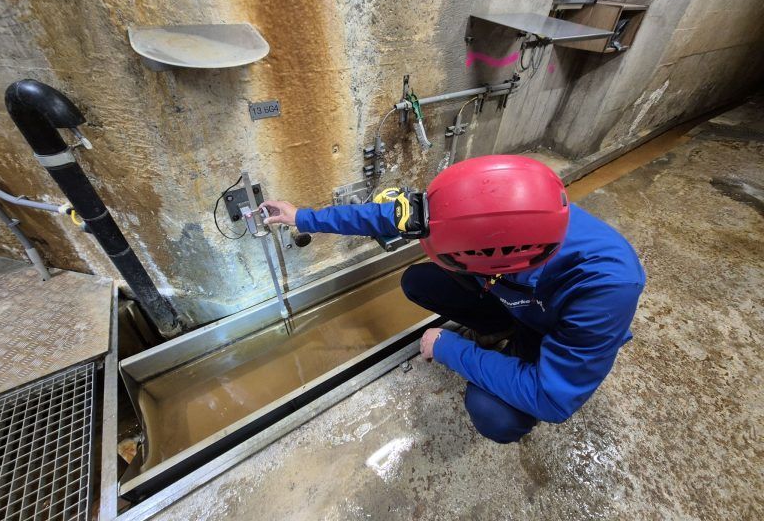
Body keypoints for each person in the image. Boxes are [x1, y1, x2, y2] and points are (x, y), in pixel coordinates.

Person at [261, 155, 645, 444]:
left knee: (494, 414)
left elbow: (552, 397)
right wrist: (303, 218)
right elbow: (386, 216)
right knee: (418, 281)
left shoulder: (608, 285)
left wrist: (449, 347)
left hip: (548, 331)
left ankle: (510, 340)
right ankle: (500, 326)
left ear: (496, 258)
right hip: (514, 296)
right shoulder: (483, 211)